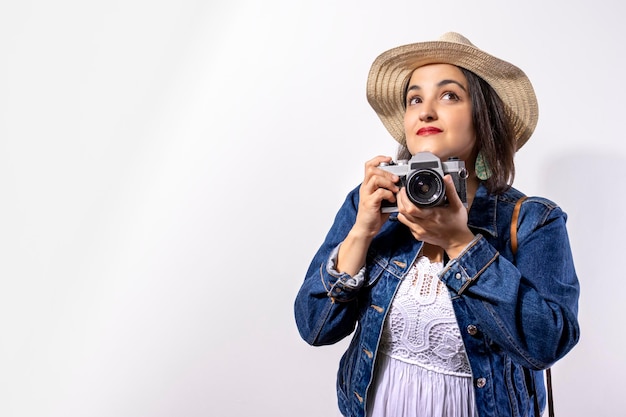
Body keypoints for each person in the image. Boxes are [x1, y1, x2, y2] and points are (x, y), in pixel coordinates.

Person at [293, 32, 580, 417]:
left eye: (449, 96)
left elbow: (546, 345)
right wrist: (361, 231)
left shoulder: (532, 220)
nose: (426, 111)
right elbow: (315, 328)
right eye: (415, 99)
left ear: (483, 117)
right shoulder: (372, 204)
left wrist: (461, 243)